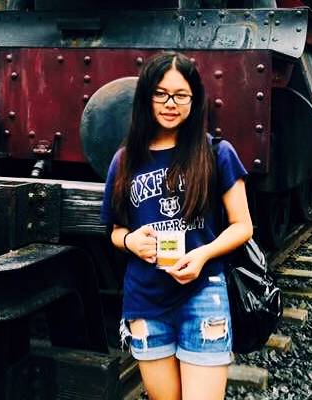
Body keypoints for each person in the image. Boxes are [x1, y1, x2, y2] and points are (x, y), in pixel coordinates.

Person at [100, 51, 253, 400]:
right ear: (146, 98)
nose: (170, 104)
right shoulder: (124, 160)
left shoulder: (217, 153)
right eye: (160, 94)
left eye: (181, 95)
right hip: (144, 298)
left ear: (195, 100)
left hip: (203, 292)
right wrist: (131, 241)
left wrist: (203, 255)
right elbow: (114, 230)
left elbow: (242, 225)